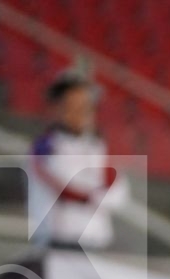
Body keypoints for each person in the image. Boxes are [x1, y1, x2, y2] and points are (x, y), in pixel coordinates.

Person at [27, 70, 123, 249]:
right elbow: (65, 187)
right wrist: (95, 194)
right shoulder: (45, 146)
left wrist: (92, 195)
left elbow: (119, 196)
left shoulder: (98, 146)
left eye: (85, 106)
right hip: (59, 240)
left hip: (96, 240)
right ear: (56, 108)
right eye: (72, 105)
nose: (79, 113)